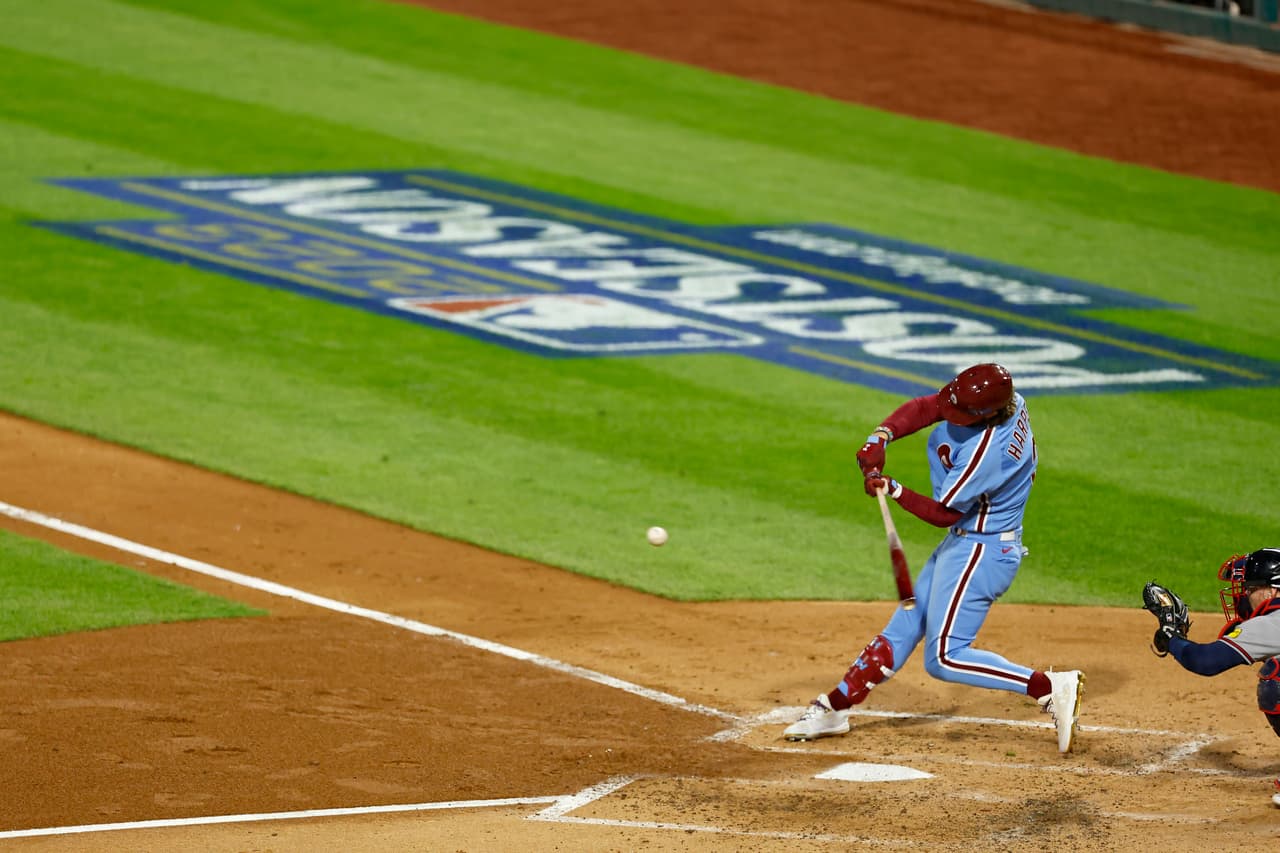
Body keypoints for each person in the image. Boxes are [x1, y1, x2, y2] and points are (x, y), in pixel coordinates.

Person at [783, 363, 1085, 753]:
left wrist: (892, 489)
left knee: (944, 657)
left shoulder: (988, 452)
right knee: (904, 626)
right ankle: (834, 708)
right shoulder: (1005, 399)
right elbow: (929, 408)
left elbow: (945, 513)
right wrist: (882, 436)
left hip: (982, 550)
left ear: (989, 413)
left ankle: (1047, 686)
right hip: (965, 544)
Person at [1142, 548, 1280, 807]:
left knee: (1276, 682)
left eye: (1250, 588)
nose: (1244, 595)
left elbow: (1205, 661)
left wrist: (1171, 638)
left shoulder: (1273, 623)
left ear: (1273, 590)